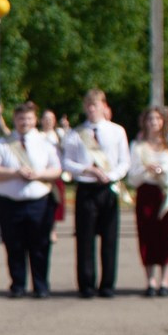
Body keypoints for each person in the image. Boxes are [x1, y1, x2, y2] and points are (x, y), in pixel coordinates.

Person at [59, 90, 129, 301]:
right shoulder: (76, 133)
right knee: (84, 239)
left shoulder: (116, 131)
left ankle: (107, 284)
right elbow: (66, 162)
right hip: (86, 188)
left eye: (95, 105)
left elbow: (124, 161)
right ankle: (86, 284)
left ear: (104, 106)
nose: (91, 109)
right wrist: (86, 169)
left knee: (109, 238)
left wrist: (111, 175)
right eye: (88, 105)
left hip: (108, 188)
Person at [0, 103, 61, 299]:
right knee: (14, 246)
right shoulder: (3, 144)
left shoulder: (45, 143)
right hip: (9, 203)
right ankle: (18, 285)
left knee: (40, 245)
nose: (24, 122)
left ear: (35, 120)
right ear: (14, 120)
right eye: (21, 118)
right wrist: (14, 173)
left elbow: (57, 169)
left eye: (28, 118)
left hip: (39, 202)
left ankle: (41, 285)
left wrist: (39, 174)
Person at [128, 106, 168, 299]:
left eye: (157, 119)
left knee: (167, 234)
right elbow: (132, 176)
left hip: (166, 191)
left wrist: (163, 171)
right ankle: (150, 281)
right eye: (150, 119)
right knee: (147, 234)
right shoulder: (137, 145)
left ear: (163, 121)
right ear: (144, 122)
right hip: (146, 192)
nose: (153, 122)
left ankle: (165, 281)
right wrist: (147, 170)